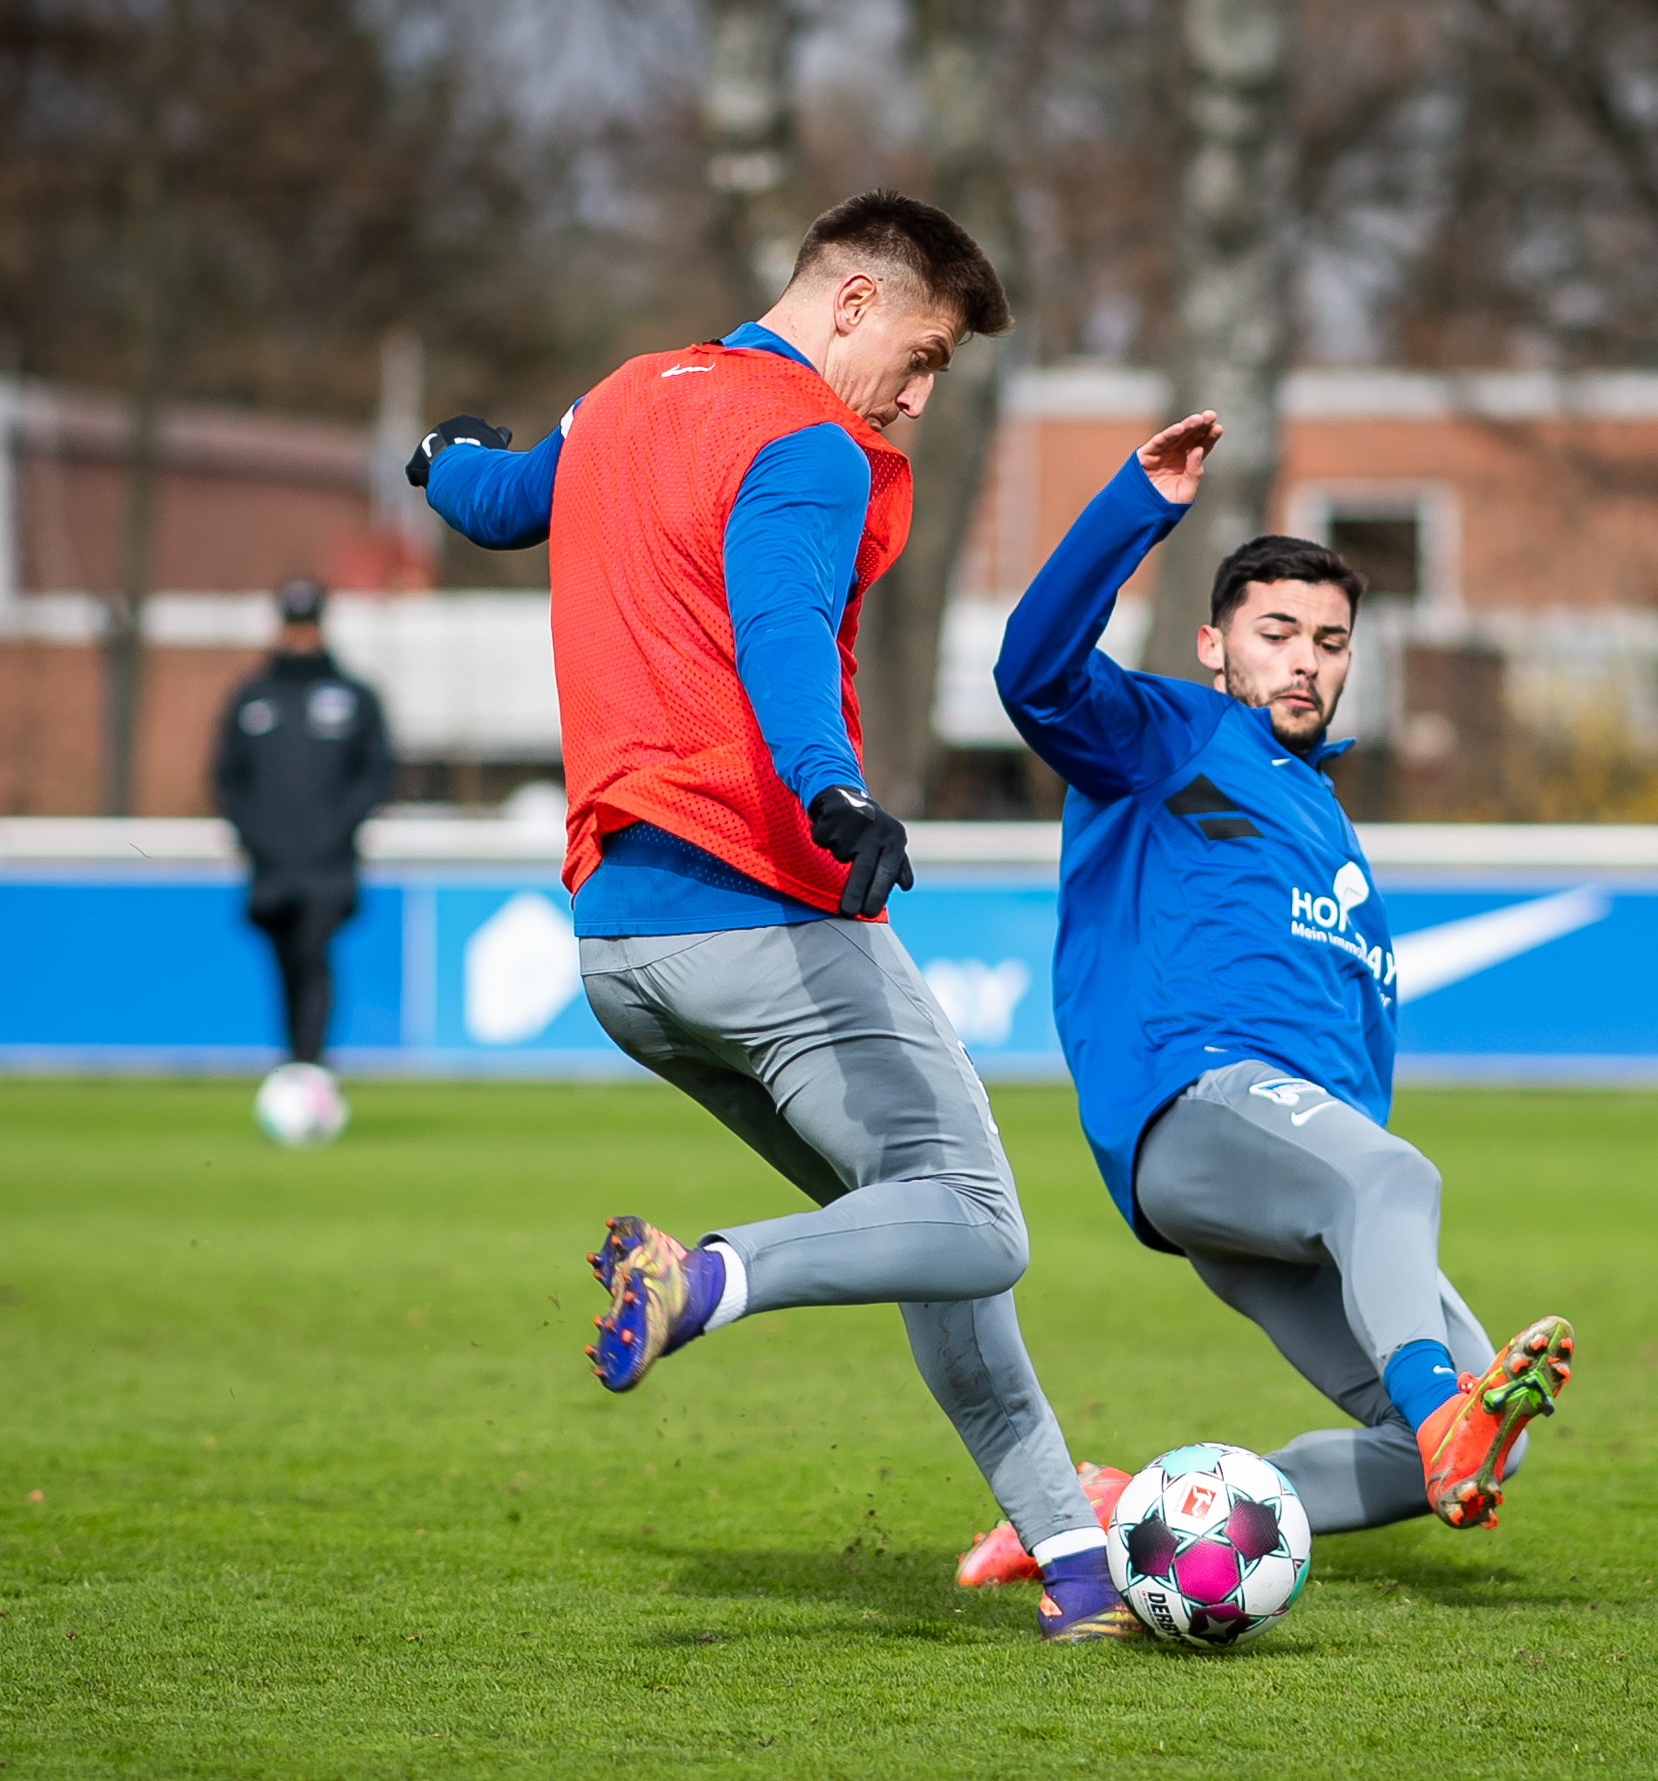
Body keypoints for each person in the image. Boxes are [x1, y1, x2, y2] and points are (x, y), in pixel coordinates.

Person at [405, 190, 1139, 1643]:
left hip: (623, 946)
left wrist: (436, 461)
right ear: (849, 304)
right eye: (921, 358)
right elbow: (781, 630)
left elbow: (501, 501)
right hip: (760, 904)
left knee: (917, 1227)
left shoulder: (624, 395)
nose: (919, 399)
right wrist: (832, 792)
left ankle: (1075, 1568)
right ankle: (706, 1280)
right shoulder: (805, 443)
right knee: (982, 1221)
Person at [953, 411, 1576, 1584]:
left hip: (1293, 1179)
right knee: (1404, 1194)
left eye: (1331, 640)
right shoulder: (1168, 735)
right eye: (1277, 631)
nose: (1305, 659)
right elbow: (1028, 670)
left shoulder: (1324, 815)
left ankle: (1094, 1516)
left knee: (1478, 1437)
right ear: (1214, 644)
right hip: (1199, 1105)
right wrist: (1138, 505)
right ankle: (1441, 1407)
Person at [212, 575, 394, 1118]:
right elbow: (228, 778)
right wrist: (255, 835)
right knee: (286, 960)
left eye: (308, 625)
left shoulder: (354, 696)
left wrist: (336, 830)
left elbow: (377, 773)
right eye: (293, 626)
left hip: (328, 866)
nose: (300, 636)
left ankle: (309, 1067)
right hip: (270, 864)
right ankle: (296, 1061)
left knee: (313, 953)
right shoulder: (252, 698)